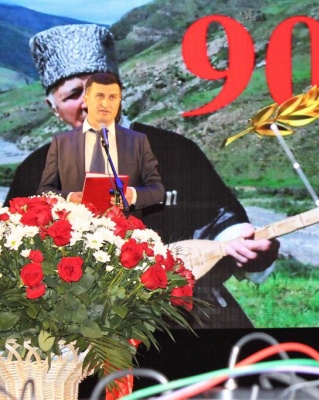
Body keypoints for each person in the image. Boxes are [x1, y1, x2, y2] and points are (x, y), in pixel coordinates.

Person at [6, 24, 279, 328]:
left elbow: (222, 221)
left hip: (189, 318)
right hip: (77, 330)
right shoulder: (35, 169)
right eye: (73, 94)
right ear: (53, 107)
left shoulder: (175, 150)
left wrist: (243, 244)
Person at [37, 71, 165, 210]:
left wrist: (132, 195)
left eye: (113, 97)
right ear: (86, 99)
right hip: (76, 222)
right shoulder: (62, 143)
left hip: (125, 222)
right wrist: (69, 198)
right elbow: (44, 190)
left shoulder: (137, 141)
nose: (105, 104)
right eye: (99, 96)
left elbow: (157, 190)